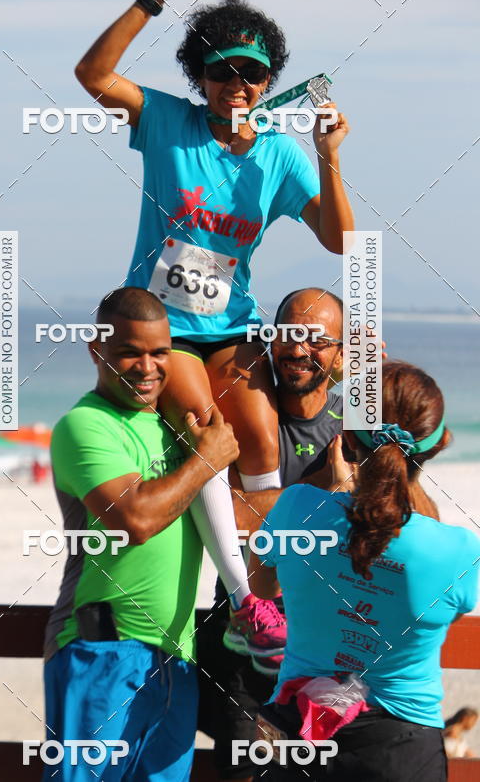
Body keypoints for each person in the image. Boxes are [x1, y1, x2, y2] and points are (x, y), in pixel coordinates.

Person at [75, 0, 354, 653]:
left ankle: (268, 583)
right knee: (212, 436)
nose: (239, 85)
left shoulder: (281, 158)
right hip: (164, 330)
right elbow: (92, 78)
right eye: (224, 71)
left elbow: (339, 239)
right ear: (200, 76)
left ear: (269, 80)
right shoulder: (169, 123)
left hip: (233, 321)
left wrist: (327, 158)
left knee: (262, 438)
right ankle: (242, 603)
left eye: (253, 74)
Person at [43, 287, 239, 781]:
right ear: (97, 351)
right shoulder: (85, 426)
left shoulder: (176, 428)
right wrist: (207, 460)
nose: (147, 367)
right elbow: (135, 520)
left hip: (177, 653)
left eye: (159, 352)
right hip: (102, 648)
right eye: (130, 352)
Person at [248, 361, 479, 781]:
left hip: (299, 734)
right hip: (402, 750)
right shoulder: (459, 551)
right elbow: (443, 610)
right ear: (441, 442)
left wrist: (340, 497)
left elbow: (261, 586)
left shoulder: (297, 508)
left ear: (348, 438)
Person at [197, 287, 346, 782]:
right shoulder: (245, 415)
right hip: (243, 640)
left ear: (343, 353)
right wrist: (324, 494)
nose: (300, 349)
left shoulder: (356, 426)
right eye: (290, 334)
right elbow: (228, 514)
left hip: (330, 648)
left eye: (318, 339)